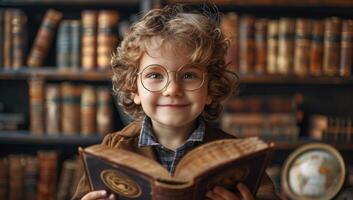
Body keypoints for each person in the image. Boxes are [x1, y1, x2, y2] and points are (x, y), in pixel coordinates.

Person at [73, 5, 280, 200]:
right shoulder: (112, 150)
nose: (172, 90)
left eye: (189, 75)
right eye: (154, 75)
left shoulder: (238, 157)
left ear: (210, 89)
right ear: (133, 89)